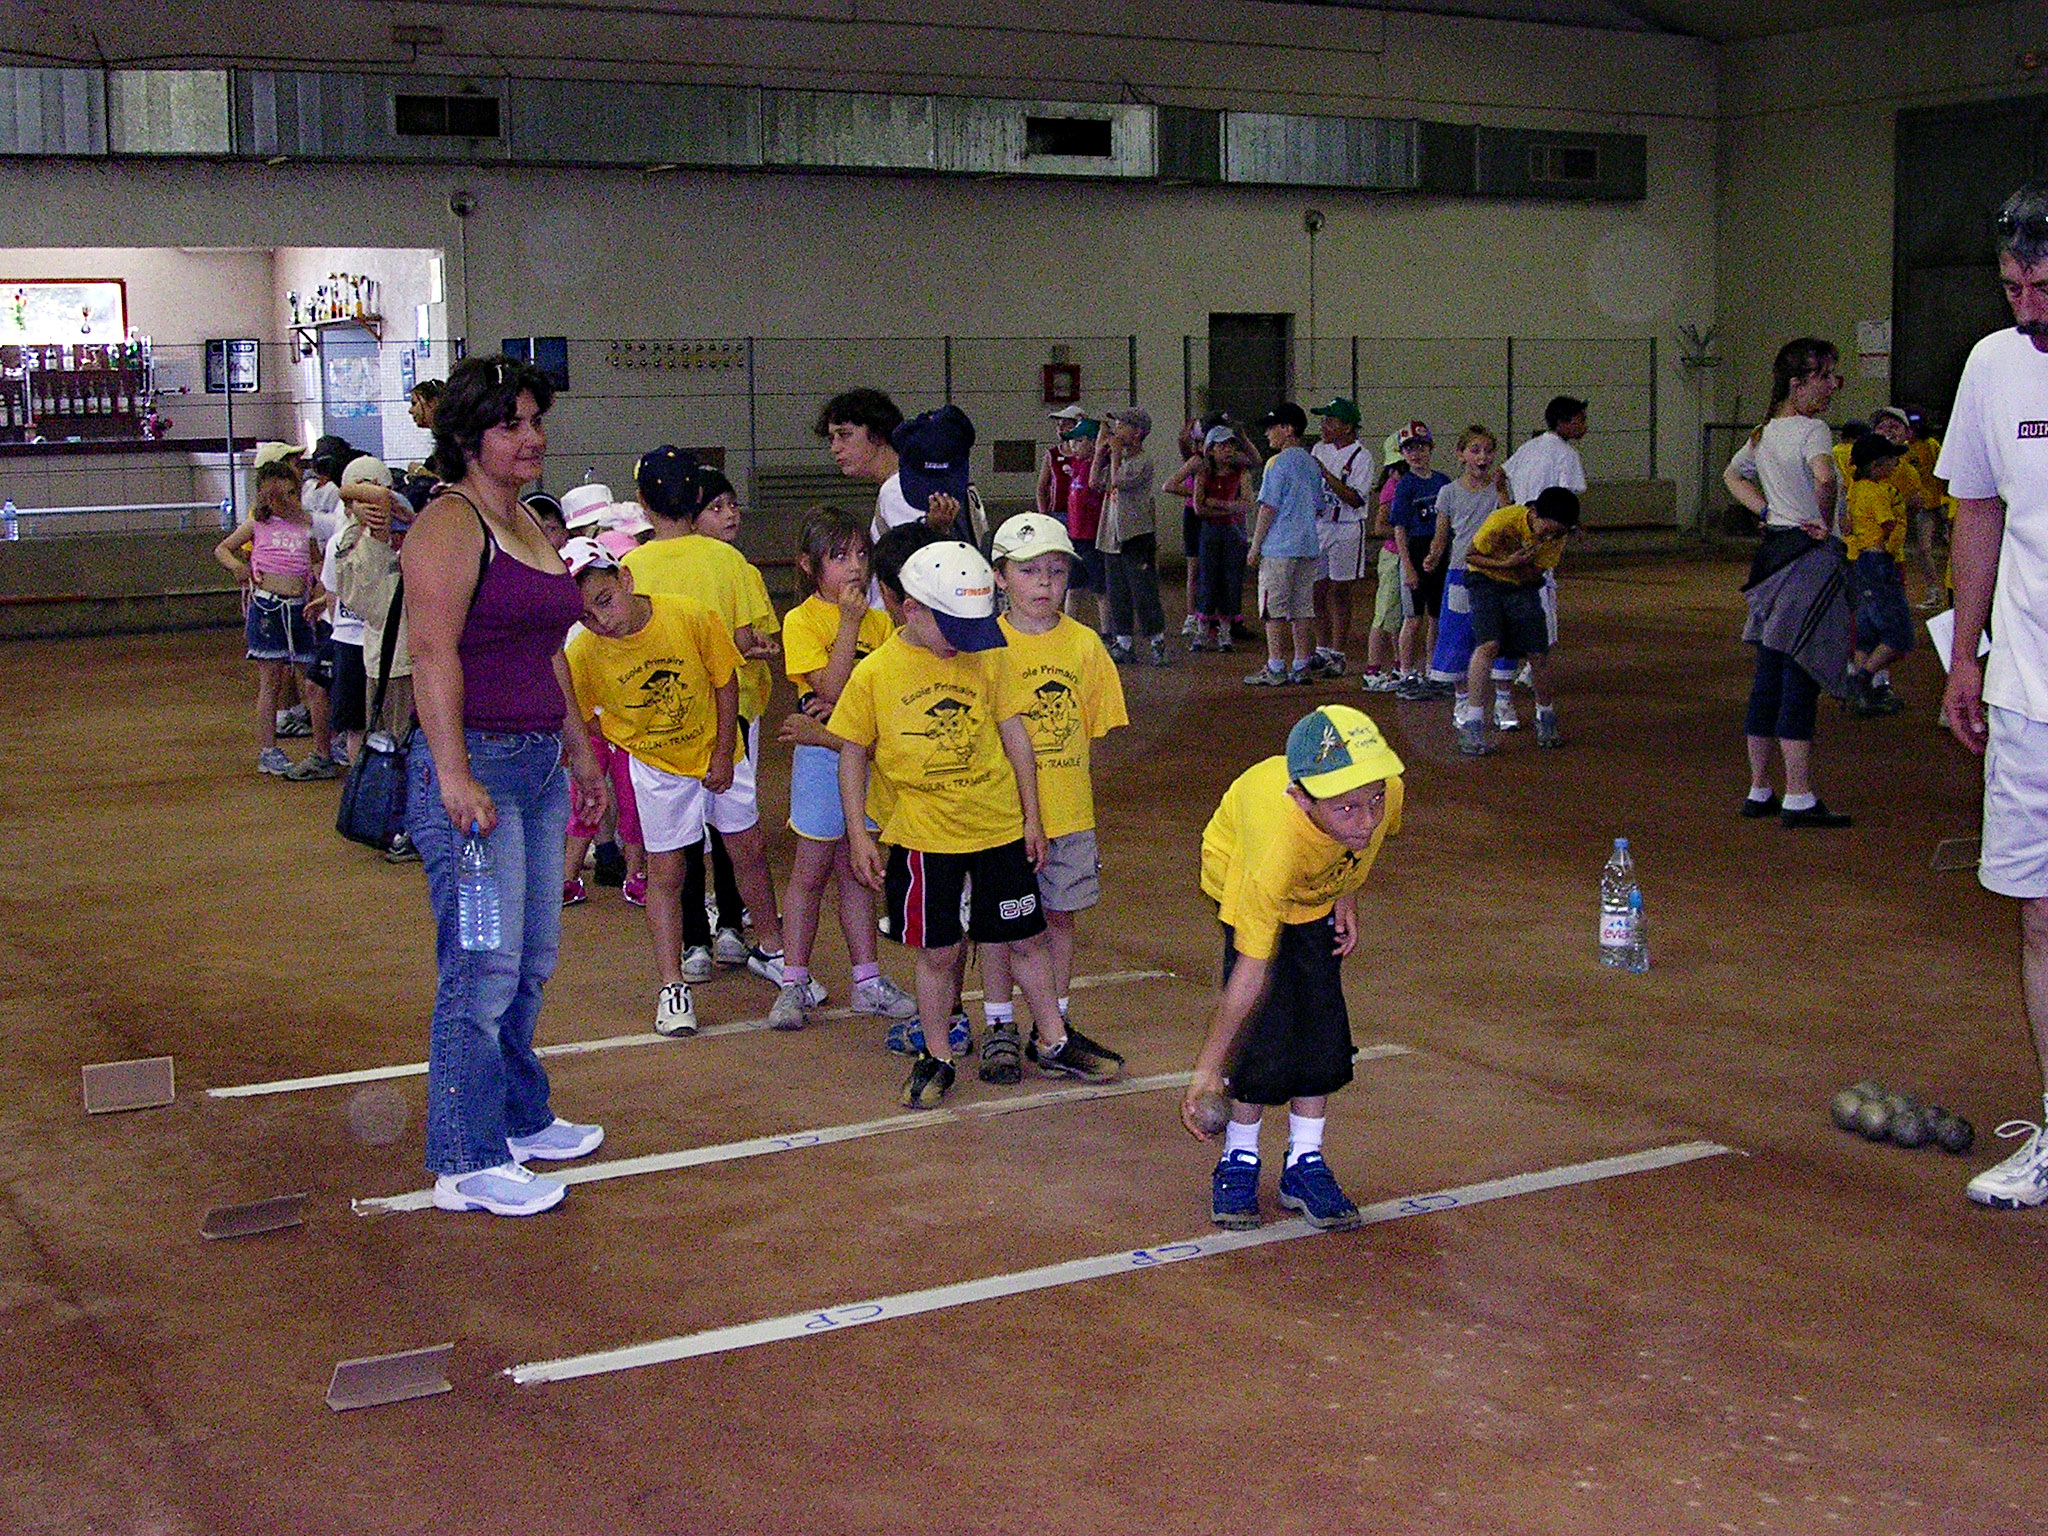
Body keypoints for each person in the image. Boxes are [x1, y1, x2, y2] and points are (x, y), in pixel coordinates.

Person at [400, 353, 609, 1218]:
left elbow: (547, 649)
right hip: (476, 772)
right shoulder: (449, 529)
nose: (531, 438)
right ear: (466, 437)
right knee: (481, 968)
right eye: (509, 424)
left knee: (529, 962)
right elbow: (431, 655)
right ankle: (465, 1155)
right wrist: (452, 774)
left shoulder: (522, 517)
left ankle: (520, 1116)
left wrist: (579, 747)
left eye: (535, 420)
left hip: (535, 766)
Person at [829, 527, 1125, 1107]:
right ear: (911, 610)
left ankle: (1053, 1039)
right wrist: (859, 830)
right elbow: (851, 751)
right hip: (923, 838)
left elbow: (1017, 735)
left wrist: (1032, 818)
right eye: (952, 628)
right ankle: (937, 1054)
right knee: (938, 952)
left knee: (1027, 938)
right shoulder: (876, 674)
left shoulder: (987, 655)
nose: (964, 642)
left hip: (998, 829)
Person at [1182, 704, 1404, 1231]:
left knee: (1321, 1022)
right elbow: (1248, 980)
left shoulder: (1382, 792)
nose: (1367, 818)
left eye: (1372, 799)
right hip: (1244, 876)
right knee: (1266, 1023)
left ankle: (1304, 1161)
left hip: (1317, 891)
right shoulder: (1271, 853)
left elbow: (1359, 848)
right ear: (1301, 798)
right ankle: (1239, 1155)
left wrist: (1346, 894)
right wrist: (1207, 1070)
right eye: (1348, 808)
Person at [1937, 181, 2048, 1209]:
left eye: (2042, 286)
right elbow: (1975, 514)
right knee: (2037, 919)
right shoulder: (1991, 365)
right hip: (2026, 693)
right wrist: (1962, 659)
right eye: (2012, 286)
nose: (2025, 307)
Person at [622, 449, 792, 988]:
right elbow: (744, 641)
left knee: (675, 840)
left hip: (660, 726)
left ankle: (693, 941)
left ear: (644, 505)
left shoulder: (631, 567)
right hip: (727, 715)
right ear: (697, 500)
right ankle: (739, 933)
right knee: (735, 832)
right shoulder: (727, 562)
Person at [563, 538, 743, 1037]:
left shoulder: (687, 616)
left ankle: (774, 951)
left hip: (710, 751)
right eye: (585, 615)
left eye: (605, 601)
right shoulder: (583, 652)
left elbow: (724, 679)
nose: (601, 621)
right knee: (667, 870)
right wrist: (626, 736)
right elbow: (576, 719)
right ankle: (672, 985)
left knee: (743, 849)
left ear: (625, 580)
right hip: (654, 770)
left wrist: (724, 749)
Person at [977, 513, 1129, 1082]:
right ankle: (998, 1023)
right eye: (1028, 570)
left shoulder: (1085, 646)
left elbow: (1089, 731)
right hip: (999, 816)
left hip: (1069, 811)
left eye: (1056, 571)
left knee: (1059, 919)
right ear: (1000, 578)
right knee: (1000, 924)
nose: (1043, 582)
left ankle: (1053, 1026)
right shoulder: (986, 644)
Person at [769, 507, 921, 1033]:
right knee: (809, 873)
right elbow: (832, 691)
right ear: (810, 566)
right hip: (819, 763)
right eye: (838, 556)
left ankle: (867, 981)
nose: (854, 566)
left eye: (860, 554)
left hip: (864, 758)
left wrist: (844, 709)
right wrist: (850, 626)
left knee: (861, 873)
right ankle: (793, 981)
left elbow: (877, 699)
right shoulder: (802, 620)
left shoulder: (882, 623)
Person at [1723, 338, 1853, 829]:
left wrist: (1767, 511)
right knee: (1800, 674)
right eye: (1825, 377)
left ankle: (1760, 789)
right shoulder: (1813, 429)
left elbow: (1731, 476)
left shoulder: (1764, 433)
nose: (1831, 386)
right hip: (1808, 559)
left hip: (1772, 555)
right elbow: (1825, 479)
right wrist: (1822, 521)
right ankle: (1798, 796)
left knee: (1768, 677)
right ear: (1798, 383)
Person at [214, 457, 338, 779]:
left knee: (311, 678)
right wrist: (238, 568)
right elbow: (222, 549)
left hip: (300, 608)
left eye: (291, 495)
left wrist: (321, 586)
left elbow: (314, 562)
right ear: (264, 498)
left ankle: (328, 742)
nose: (285, 503)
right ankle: (268, 749)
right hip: (269, 607)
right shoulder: (258, 524)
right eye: (277, 496)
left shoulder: (305, 525)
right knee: (271, 681)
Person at [1457, 487, 1579, 755]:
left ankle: (1546, 716)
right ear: (1533, 513)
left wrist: (1519, 568)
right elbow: (1471, 556)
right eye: (1546, 529)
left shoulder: (1557, 537)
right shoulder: (1504, 520)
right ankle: (1473, 721)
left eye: (1557, 533)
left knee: (1538, 651)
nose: (1550, 537)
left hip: (1523, 585)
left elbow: (1534, 573)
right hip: (1485, 580)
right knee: (1487, 645)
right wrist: (1507, 563)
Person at [1424, 426, 1508, 727]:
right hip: (1461, 572)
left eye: (1487, 450)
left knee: (1498, 635)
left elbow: (1510, 522)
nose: (1482, 456)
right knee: (1458, 633)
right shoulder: (1449, 492)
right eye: (1475, 450)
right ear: (1461, 455)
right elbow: (1442, 533)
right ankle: (1462, 699)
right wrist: (1434, 556)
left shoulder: (1498, 490)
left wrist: (1501, 492)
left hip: (1495, 571)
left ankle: (1503, 700)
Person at [1244, 403, 1324, 686]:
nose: (1267, 433)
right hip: (1307, 545)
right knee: (1302, 607)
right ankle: (1301, 664)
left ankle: (1276, 666)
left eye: (1272, 427)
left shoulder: (1276, 463)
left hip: (1279, 548)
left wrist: (1255, 546)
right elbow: (1318, 506)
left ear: (1288, 430)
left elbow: (1268, 507)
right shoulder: (1312, 463)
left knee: (1273, 609)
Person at [1165, 425, 1257, 652]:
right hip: (1211, 531)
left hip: (1233, 533)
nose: (1228, 450)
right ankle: (1203, 628)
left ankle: (1225, 630)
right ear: (1211, 449)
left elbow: (1247, 502)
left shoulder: (1240, 473)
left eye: (1231, 445)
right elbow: (1199, 508)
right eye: (1222, 445)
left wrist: (1219, 505)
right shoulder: (1203, 474)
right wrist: (1228, 509)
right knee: (1207, 578)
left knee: (1231, 579)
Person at [1842, 432, 1914, 717]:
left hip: (1860, 561)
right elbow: (1886, 524)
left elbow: (1848, 524)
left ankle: (1865, 694)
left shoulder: (1856, 488)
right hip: (1877, 560)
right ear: (1876, 466)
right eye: (1889, 461)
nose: (1895, 465)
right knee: (1899, 635)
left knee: (1867, 632)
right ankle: (1861, 681)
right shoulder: (1877, 490)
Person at [1092, 406, 1168, 665]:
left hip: (1136, 534)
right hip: (1111, 535)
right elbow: (1095, 482)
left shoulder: (1141, 461)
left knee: (1143, 590)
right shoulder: (1119, 459)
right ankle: (1123, 642)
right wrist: (1099, 454)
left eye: (1122, 425)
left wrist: (1114, 454)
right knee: (1117, 591)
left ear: (1137, 433)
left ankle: (1157, 641)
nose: (1116, 430)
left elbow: (1116, 481)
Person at [1308, 397, 1375, 677]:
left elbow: (1356, 499)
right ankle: (1321, 648)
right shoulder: (1318, 449)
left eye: (1331, 421)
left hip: (1347, 526)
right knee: (1316, 588)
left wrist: (1326, 475)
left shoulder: (1362, 456)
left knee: (1340, 590)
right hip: (1320, 525)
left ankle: (1338, 651)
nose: (1324, 426)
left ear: (1347, 427)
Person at [1388, 422, 1452, 698]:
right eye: (1409, 449)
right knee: (1412, 617)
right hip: (1415, 549)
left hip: (1439, 550)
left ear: (1430, 449)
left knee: (1437, 615)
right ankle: (1406, 671)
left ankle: (1432, 669)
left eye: (1421, 447)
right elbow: (1399, 528)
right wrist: (1408, 567)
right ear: (1402, 454)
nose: (1416, 453)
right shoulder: (1406, 486)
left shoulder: (1442, 482)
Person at [1358, 441, 1406, 693]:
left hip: (1405, 556)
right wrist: (1406, 533)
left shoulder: (1407, 485)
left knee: (1400, 616)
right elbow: (1380, 527)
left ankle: (1400, 666)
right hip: (1394, 557)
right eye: (1398, 468)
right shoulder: (1392, 489)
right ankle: (1372, 670)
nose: (1402, 473)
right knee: (1384, 614)